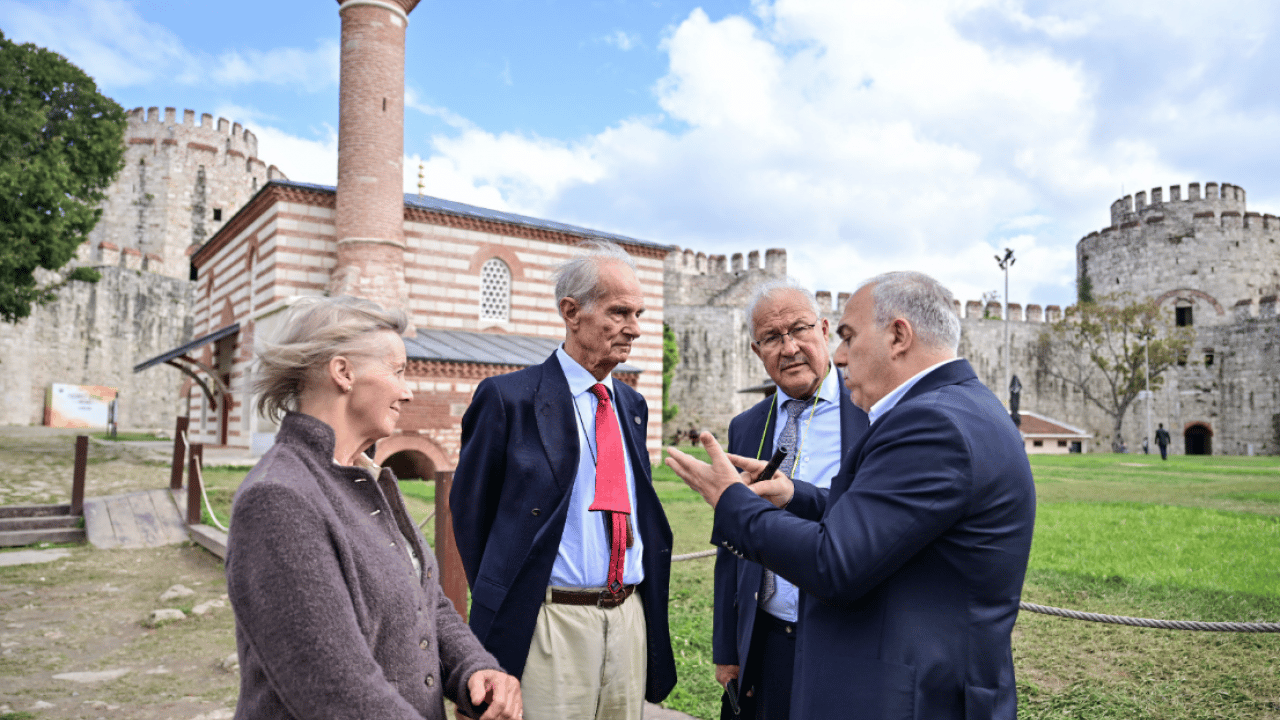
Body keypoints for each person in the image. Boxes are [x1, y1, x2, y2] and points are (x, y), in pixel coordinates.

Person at [666, 271, 1036, 719]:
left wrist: (732, 502)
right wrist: (796, 496)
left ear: (898, 336)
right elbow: (884, 520)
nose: (839, 356)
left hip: (916, 695)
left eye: (847, 336)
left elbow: (834, 562)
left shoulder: (928, 425)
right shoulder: (963, 407)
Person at [225, 296, 521, 720]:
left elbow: (426, 601)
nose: (408, 390)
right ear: (343, 373)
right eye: (397, 371)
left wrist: (475, 668)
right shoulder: (279, 497)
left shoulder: (364, 477)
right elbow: (335, 688)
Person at [451, 240, 676, 720]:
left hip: (628, 617)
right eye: (619, 313)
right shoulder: (508, 399)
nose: (634, 329)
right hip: (548, 624)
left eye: (638, 313)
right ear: (571, 312)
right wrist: (510, 600)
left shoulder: (631, 406)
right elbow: (471, 516)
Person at [713, 279, 868, 719]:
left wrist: (794, 496)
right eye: (772, 338)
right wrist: (727, 646)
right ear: (756, 350)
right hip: (764, 639)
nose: (789, 347)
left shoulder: (869, 414)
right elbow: (731, 541)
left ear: (824, 330)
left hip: (844, 633)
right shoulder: (746, 426)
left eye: (799, 329)